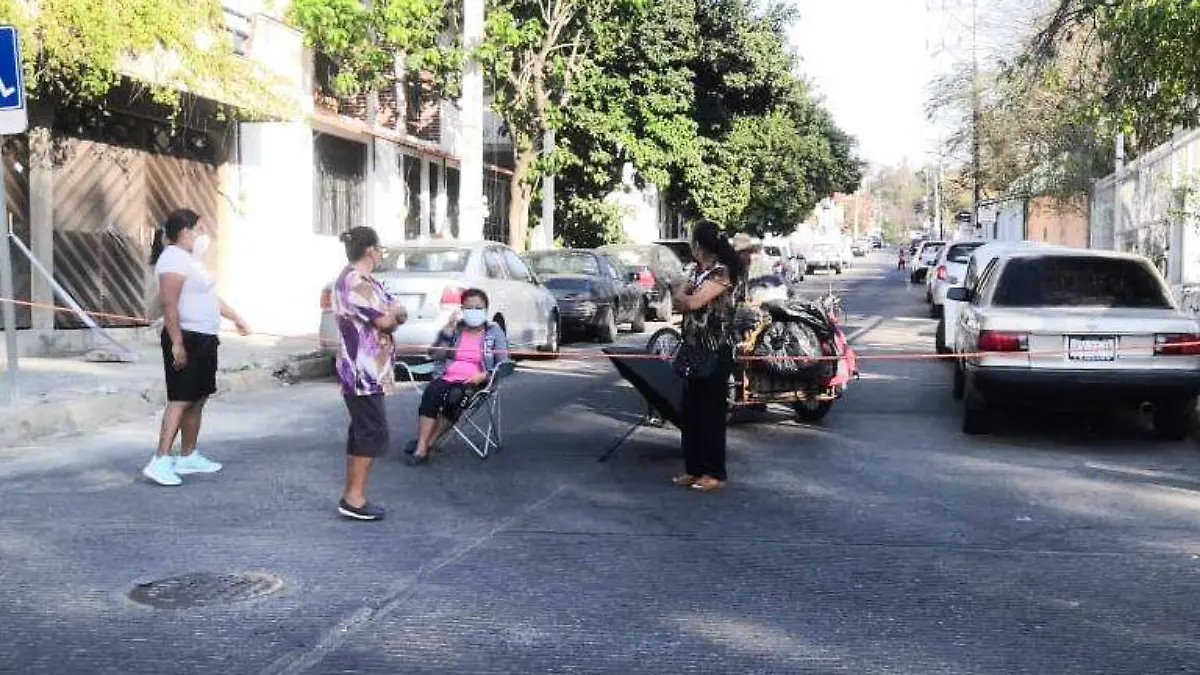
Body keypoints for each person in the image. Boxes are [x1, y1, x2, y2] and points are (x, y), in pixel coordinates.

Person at [142, 209, 250, 487]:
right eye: (199, 229)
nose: (204, 234)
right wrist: (176, 341)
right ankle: (160, 459)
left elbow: (211, 297)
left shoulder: (191, 261)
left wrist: (236, 317)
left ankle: (188, 455)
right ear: (186, 231)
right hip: (186, 337)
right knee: (180, 398)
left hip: (204, 336)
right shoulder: (172, 259)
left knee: (198, 397)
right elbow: (168, 302)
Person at [332, 226, 408, 521]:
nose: (380, 253)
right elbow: (387, 319)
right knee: (372, 431)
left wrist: (395, 313)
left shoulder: (366, 280)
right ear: (370, 250)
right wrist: (396, 315)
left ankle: (352, 495)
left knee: (362, 430)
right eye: (379, 248)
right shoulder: (355, 282)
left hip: (367, 367)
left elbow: (393, 307)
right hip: (361, 368)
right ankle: (354, 498)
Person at [670, 221, 745, 492]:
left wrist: (682, 295)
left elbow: (691, 302)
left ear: (700, 246)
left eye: (694, 242)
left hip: (716, 349)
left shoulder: (723, 272)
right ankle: (694, 469)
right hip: (693, 347)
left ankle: (715, 472)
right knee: (689, 411)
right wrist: (683, 294)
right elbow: (682, 297)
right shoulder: (699, 272)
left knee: (710, 412)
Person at [406, 289, 509, 465]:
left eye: (478, 308)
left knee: (455, 397)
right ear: (462, 309)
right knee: (432, 392)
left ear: (486, 310)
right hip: (446, 376)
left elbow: (505, 364)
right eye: (469, 308)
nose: (474, 311)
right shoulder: (456, 328)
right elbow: (435, 355)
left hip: (475, 382)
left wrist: (484, 375)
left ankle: (428, 443)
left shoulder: (493, 331)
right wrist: (447, 331)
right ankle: (421, 446)